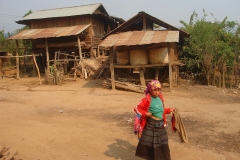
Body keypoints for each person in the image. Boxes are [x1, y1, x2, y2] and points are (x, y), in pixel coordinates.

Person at [134, 80, 174, 160]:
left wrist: (169, 110)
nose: (157, 92)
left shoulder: (160, 99)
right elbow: (136, 108)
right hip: (150, 125)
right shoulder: (146, 100)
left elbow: (160, 111)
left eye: (159, 90)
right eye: (155, 90)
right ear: (150, 90)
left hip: (160, 125)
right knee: (149, 143)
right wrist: (146, 114)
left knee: (162, 144)